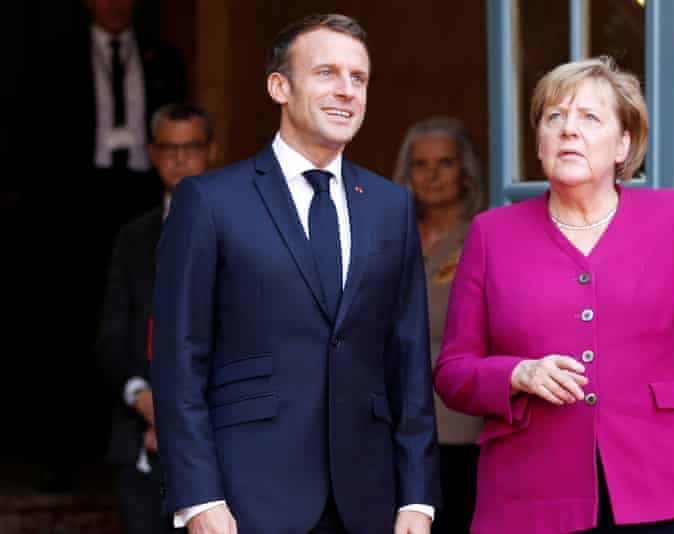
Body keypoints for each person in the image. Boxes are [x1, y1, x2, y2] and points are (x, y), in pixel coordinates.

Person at [433, 56, 674, 534]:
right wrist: (519, 372)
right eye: (554, 118)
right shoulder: (492, 234)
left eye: (589, 118)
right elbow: (454, 372)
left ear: (623, 144)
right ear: (539, 142)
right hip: (532, 492)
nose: (568, 130)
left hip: (666, 482)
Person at [151, 14, 440, 534]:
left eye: (359, 78)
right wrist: (198, 500)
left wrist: (418, 500)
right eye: (327, 73)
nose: (347, 91)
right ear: (279, 86)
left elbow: (409, 362)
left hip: (369, 502)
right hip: (244, 500)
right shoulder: (210, 201)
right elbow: (179, 361)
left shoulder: (391, 205)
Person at [22, 0, 187, 491]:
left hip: (141, 193)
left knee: (146, 314)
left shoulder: (162, 56)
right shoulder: (54, 56)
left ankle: (148, 435)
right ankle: (64, 454)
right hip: (72, 208)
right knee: (72, 324)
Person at [96, 102, 217, 534]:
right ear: (151, 153)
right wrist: (144, 399)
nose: (181, 158)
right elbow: (111, 336)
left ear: (212, 150)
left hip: (221, 442)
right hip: (141, 438)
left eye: (191, 147)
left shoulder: (244, 229)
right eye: (169, 148)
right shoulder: (134, 237)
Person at [393, 116, 485, 534]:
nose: (431, 175)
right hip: (391, 421)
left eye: (445, 163)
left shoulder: (484, 238)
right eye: (421, 164)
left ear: (466, 172)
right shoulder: (389, 235)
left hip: (458, 426)